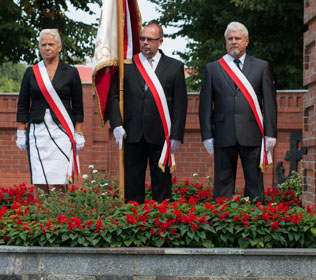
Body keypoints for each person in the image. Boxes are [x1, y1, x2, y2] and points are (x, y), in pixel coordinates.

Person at [106, 23, 187, 203]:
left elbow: (181, 105)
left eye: (150, 39)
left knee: (162, 184)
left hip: (162, 135)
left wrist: (176, 135)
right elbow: (112, 97)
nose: (145, 43)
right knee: (132, 185)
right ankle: (133, 222)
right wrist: (117, 124)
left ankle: (161, 222)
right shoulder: (126, 65)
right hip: (132, 133)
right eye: (142, 39)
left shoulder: (175, 67)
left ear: (160, 41)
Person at [199, 21, 277, 203]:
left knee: (254, 185)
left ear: (246, 41)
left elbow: (270, 103)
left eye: (237, 38)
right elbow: (204, 106)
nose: (233, 42)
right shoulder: (213, 68)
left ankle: (256, 223)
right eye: (230, 39)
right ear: (225, 42)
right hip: (223, 134)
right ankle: (222, 223)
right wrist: (207, 135)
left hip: (252, 134)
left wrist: (270, 133)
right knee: (222, 186)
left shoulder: (261, 67)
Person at [16, 29, 85, 196]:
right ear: (39, 48)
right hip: (37, 131)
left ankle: (59, 217)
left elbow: (77, 104)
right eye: (43, 45)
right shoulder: (31, 72)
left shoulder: (70, 72)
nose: (47, 48)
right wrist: (20, 130)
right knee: (39, 175)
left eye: (51, 44)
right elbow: (23, 103)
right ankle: (41, 218)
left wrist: (79, 131)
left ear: (59, 47)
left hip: (62, 131)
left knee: (60, 176)